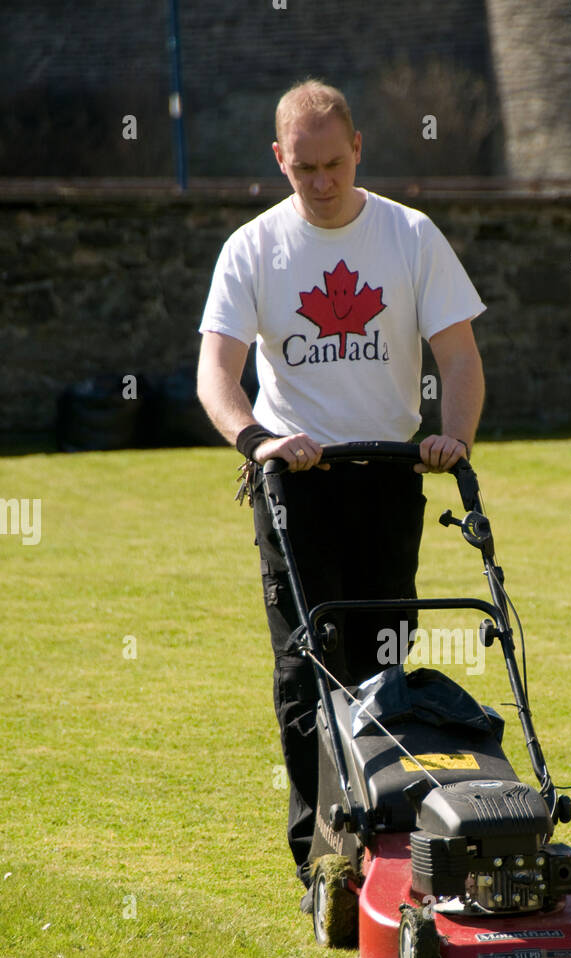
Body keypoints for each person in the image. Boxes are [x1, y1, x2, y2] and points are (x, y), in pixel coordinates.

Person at [197, 78, 486, 898]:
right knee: (303, 668)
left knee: (383, 661)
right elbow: (215, 374)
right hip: (293, 483)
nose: (320, 183)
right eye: (303, 169)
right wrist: (257, 441)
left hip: (390, 477)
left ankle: (389, 835)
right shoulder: (252, 249)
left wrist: (451, 436)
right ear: (277, 159)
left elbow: (458, 358)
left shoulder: (410, 235)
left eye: (333, 164)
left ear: (358, 149)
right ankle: (320, 857)